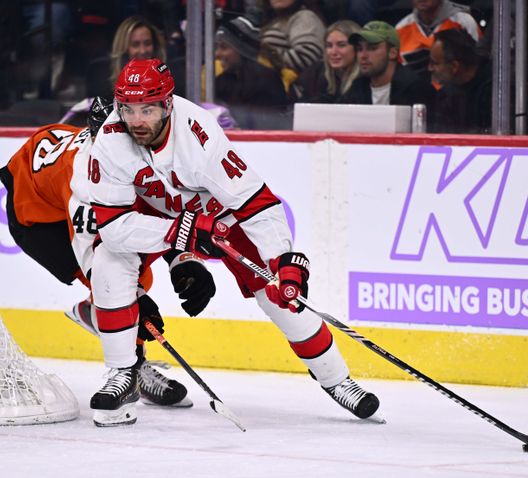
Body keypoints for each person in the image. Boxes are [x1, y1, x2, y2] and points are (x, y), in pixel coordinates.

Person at [85, 58, 380, 427]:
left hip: (217, 212)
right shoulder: (109, 140)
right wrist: (182, 232)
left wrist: (282, 258)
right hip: (154, 215)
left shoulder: (199, 138)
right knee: (110, 264)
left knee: (278, 294)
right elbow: (113, 227)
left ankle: (338, 381)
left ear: (168, 104)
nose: (136, 120)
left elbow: (255, 202)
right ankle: (121, 374)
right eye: (128, 109)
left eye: (147, 109)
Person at [0, 97, 203, 411]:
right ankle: (129, 367)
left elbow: (162, 210)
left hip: (46, 164)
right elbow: (93, 249)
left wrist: (182, 261)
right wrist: (132, 298)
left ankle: (104, 325)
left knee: (132, 259)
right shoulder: (86, 176)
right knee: (123, 266)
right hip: (36, 216)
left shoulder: (133, 151)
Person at [341, 21, 436, 114]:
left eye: (372, 48)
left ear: (392, 53)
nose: (363, 55)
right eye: (359, 49)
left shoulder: (416, 90)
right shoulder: (357, 88)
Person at [214, 16, 289, 129]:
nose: (217, 54)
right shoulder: (222, 81)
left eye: (224, 47)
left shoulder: (266, 80)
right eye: (217, 47)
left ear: (242, 49)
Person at [85, 15, 186, 99]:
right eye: (135, 45)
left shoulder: (171, 77)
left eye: (147, 43)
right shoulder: (102, 77)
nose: (143, 51)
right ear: (124, 48)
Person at [429, 27, 492, 134]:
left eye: (434, 63)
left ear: (454, 66)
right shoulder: (445, 95)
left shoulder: (496, 88)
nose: (429, 68)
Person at [395, 0, 481, 77]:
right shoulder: (400, 29)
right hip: (414, 93)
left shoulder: (464, 22)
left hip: (458, 92)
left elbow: (476, 65)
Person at [259, 0, 327, 94]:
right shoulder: (273, 21)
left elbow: (307, 57)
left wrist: (267, 63)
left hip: (293, 95)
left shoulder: (305, 17)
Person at [294, 19, 361, 103]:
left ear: (357, 48)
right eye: (329, 46)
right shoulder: (313, 76)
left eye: (341, 45)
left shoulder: (367, 80)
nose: (333, 52)